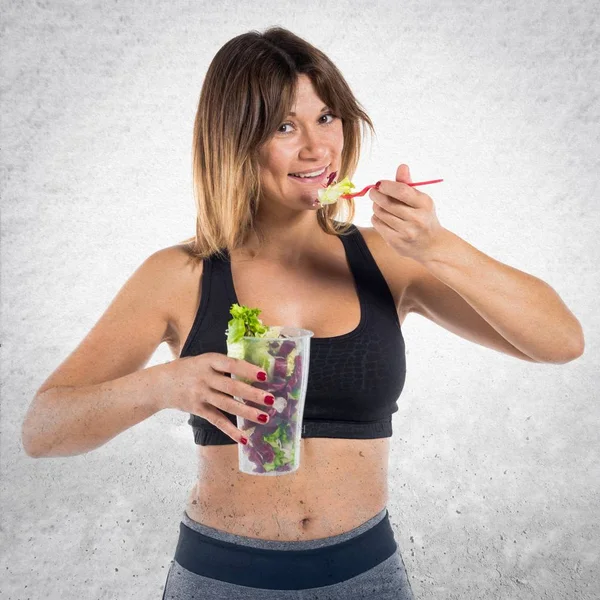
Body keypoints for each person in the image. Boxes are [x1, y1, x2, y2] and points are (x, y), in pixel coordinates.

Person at [21, 27, 584, 600]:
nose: (317, 148)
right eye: (285, 127)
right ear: (234, 140)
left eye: (328, 117)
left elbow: (562, 341)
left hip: (366, 577)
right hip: (221, 580)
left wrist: (438, 247)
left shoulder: (386, 260)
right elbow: (42, 430)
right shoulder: (179, 274)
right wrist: (166, 386)